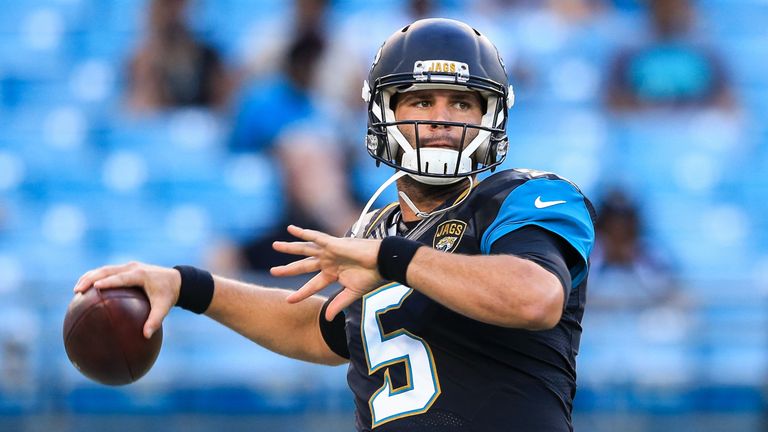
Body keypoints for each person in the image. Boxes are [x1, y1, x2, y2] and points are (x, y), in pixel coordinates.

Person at [75, 19, 596, 431]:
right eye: (421, 99)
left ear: (490, 117)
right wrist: (188, 284)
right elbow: (319, 327)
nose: (441, 117)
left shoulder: (526, 196)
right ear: (384, 113)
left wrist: (394, 258)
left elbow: (535, 297)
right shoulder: (377, 230)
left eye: (462, 102)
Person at [126, 0, 231, 112]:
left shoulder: (209, 56)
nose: (174, 14)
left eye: (179, 5)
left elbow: (224, 109)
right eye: (167, 6)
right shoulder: (141, 60)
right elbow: (144, 112)